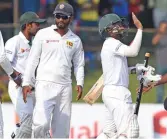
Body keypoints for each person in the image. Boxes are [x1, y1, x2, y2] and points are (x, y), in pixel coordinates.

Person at [22, 2, 85, 138]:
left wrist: (80, 82)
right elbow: (33, 60)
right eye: (58, 16)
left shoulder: (75, 40)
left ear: (70, 18)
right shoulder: (43, 34)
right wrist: (27, 82)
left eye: (64, 16)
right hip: (44, 84)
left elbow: (79, 64)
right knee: (41, 124)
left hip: (64, 87)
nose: (60, 19)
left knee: (62, 131)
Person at [97, 12, 154, 139]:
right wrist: (140, 29)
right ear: (109, 29)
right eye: (117, 24)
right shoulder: (111, 43)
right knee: (129, 132)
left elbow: (119, 69)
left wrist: (136, 69)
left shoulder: (110, 45)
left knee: (109, 133)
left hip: (111, 92)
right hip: (117, 92)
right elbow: (133, 51)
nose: (122, 26)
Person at [4, 11, 46, 138]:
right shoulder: (14, 41)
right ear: (27, 25)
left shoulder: (37, 42)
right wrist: (15, 77)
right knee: (27, 122)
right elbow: (4, 63)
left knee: (40, 124)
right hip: (19, 89)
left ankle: (16, 134)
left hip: (35, 89)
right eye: (36, 24)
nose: (39, 27)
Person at [152, 20, 167, 103]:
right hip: (160, 65)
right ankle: (159, 102)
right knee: (159, 85)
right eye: (163, 27)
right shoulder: (158, 36)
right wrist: (161, 32)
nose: (165, 28)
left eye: (166, 27)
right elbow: (154, 42)